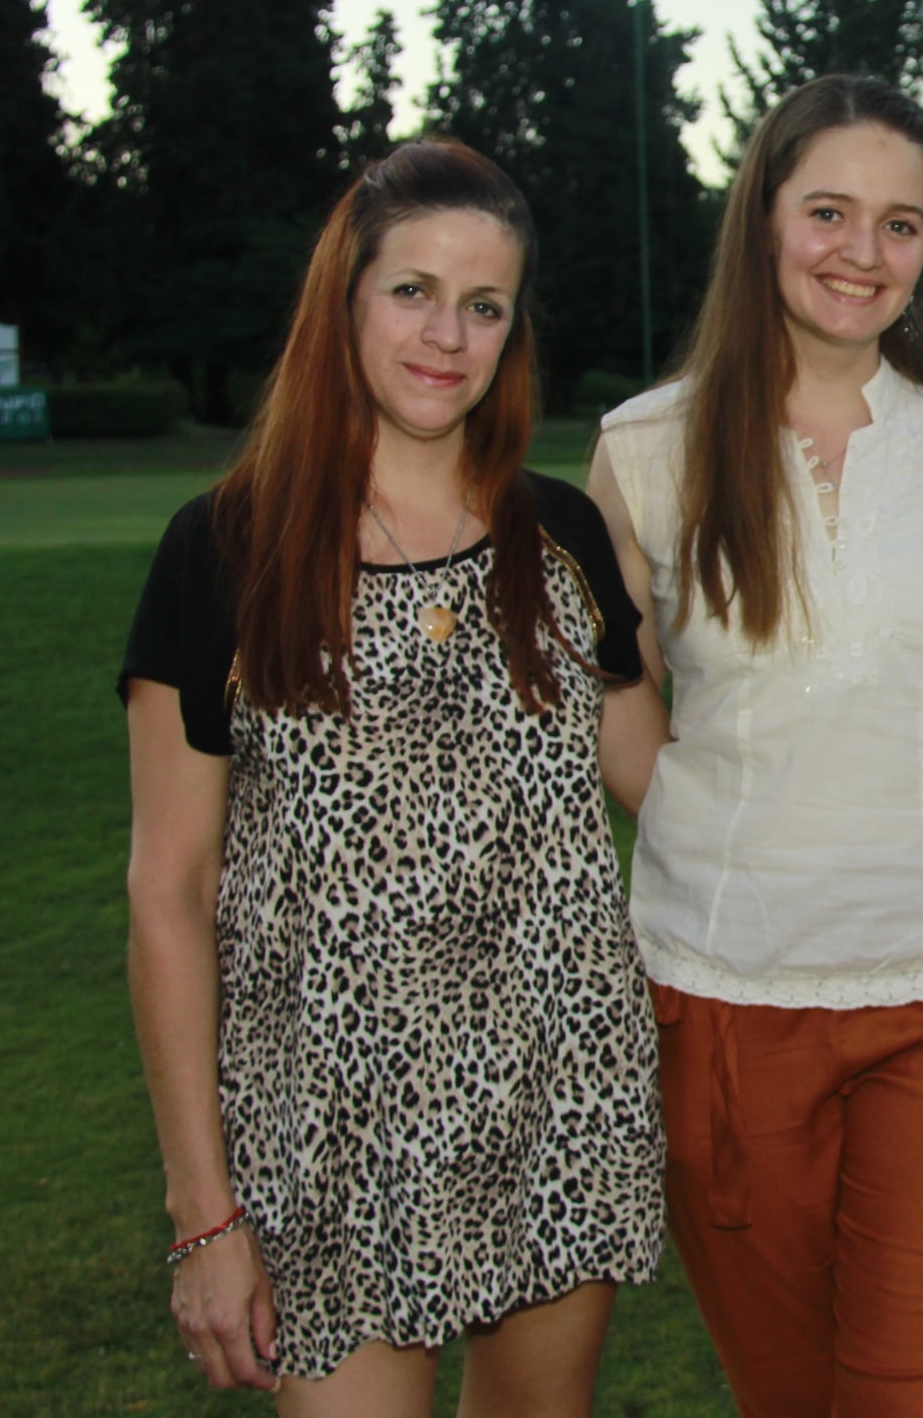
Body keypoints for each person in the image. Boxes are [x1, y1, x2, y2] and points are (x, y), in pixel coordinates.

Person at [120, 139, 669, 1415]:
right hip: (324, 1130)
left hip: (561, 1097)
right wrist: (204, 1212)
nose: (448, 335)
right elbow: (169, 890)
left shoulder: (564, 536)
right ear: (344, 298)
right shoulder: (226, 548)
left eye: (485, 306)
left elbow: (661, 783)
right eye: (412, 290)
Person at [586, 73, 923, 1417]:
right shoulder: (644, 449)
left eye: (901, 223)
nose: (864, 253)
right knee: (791, 1397)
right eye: (829, 211)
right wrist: (697, 822)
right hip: (726, 995)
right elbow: (615, 696)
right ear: (762, 217)